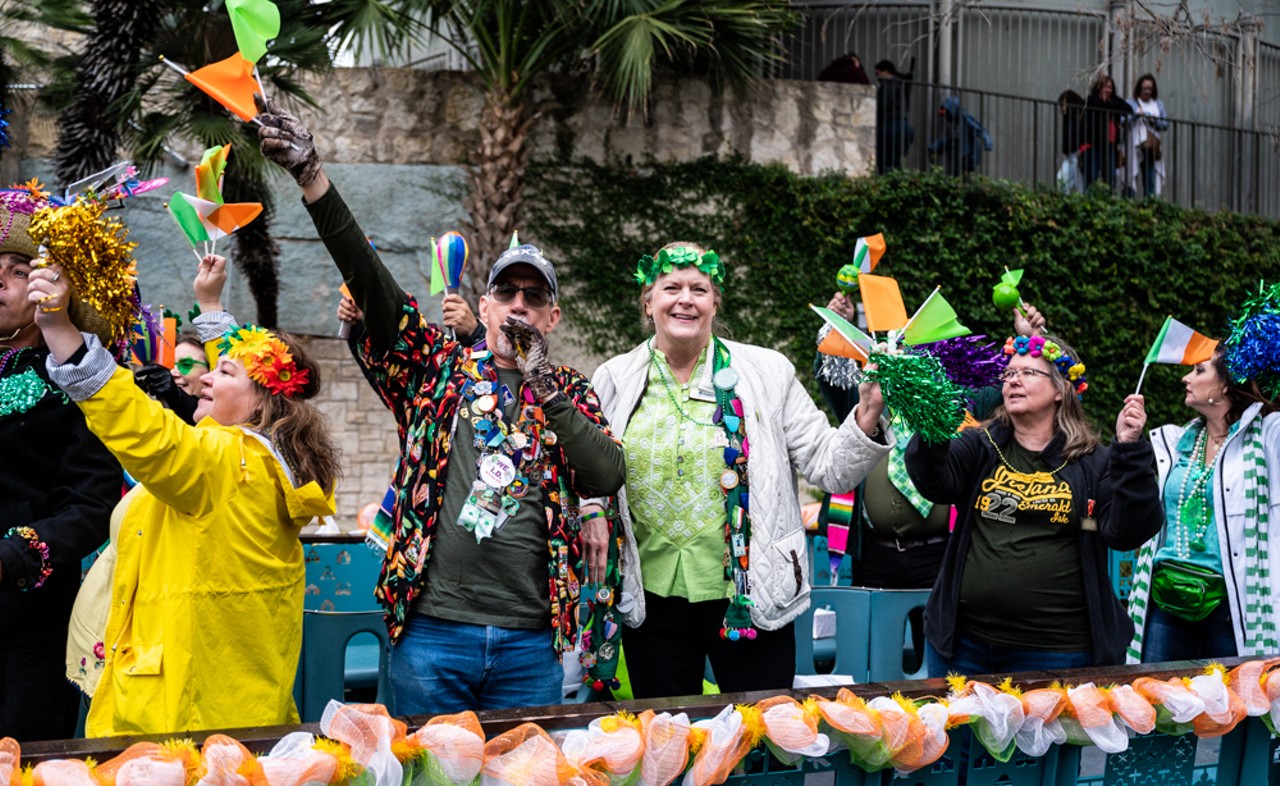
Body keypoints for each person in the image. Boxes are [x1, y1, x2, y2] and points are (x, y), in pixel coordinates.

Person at [257, 97, 627, 716]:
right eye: (505, 291)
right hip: (433, 632)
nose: (518, 305)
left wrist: (544, 387)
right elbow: (372, 281)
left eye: (533, 297)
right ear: (483, 308)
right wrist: (313, 177)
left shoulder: (572, 388)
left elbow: (607, 473)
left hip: (531, 639)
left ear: (552, 316)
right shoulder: (437, 366)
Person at [29, 253, 340, 737]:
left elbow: (147, 434)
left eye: (225, 372)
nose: (206, 377)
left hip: (175, 717)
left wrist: (60, 331)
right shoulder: (262, 458)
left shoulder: (224, 460)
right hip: (229, 700)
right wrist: (211, 306)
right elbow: (243, 378)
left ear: (262, 401)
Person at [583, 243, 890, 699]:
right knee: (669, 741)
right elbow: (591, 468)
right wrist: (590, 508)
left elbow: (828, 466)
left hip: (750, 594)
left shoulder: (768, 371)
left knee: (757, 739)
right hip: (651, 598)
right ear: (649, 303)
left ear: (714, 302)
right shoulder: (614, 377)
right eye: (671, 288)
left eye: (698, 289)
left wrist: (866, 413)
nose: (685, 299)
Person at [905, 335, 1162, 676]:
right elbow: (933, 481)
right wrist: (932, 424)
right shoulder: (981, 445)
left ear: (1060, 390)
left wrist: (1129, 451)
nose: (1012, 380)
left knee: (1052, 734)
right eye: (1009, 374)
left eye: (1027, 373)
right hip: (965, 647)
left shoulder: (1093, 462)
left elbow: (1127, 532)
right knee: (955, 732)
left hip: (1060, 652)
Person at [814, 293, 1043, 665]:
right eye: (897, 352)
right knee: (873, 659)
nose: (905, 359)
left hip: (939, 553)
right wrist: (836, 325)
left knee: (934, 656)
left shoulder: (957, 400)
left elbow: (1009, 381)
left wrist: (1029, 341)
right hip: (873, 553)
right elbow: (832, 372)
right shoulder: (867, 401)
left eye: (914, 352)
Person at [0, 189, 120, 741]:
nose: (1, 281)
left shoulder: (75, 380)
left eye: (18, 269)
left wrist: (13, 555)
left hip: (27, 618)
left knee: (16, 782)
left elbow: (91, 504)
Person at [1128, 347, 1280, 662]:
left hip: (1233, 604)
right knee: (1161, 703)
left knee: (1238, 706)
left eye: (1198, 370)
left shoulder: (1267, 436)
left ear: (1225, 385)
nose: (1185, 378)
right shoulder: (1176, 442)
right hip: (1166, 599)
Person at [1083, 75, 1132, 189]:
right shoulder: (1092, 99)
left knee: (1110, 177)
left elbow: (1128, 109)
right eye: (1105, 87)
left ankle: (1108, 201)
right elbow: (1098, 104)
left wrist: (1110, 104)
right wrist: (1111, 106)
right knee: (1092, 175)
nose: (1108, 90)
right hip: (1094, 143)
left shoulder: (1113, 99)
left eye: (1110, 87)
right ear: (1099, 88)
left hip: (1110, 145)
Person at [1125, 74, 1169, 199]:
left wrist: (1153, 121)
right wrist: (1136, 115)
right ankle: (1129, 205)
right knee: (1131, 176)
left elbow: (1165, 124)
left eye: (1149, 89)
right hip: (1133, 144)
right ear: (1139, 88)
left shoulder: (1159, 104)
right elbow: (1123, 121)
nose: (1147, 91)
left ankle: (1148, 208)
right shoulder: (1130, 103)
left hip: (1150, 146)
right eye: (1144, 88)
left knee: (1150, 179)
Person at [928, 96, 992, 176]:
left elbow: (979, 129)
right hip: (963, 155)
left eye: (948, 113)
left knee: (958, 171)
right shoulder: (958, 122)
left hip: (969, 155)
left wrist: (987, 142)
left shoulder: (964, 118)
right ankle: (935, 148)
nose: (946, 116)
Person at [874, 60, 914, 174]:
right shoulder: (902, 83)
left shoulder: (889, 85)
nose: (878, 78)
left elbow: (883, 105)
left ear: (886, 71)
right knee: (897, 163)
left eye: (878, 74)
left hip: (890, 127)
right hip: (904, 127)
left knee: (886, 163)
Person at [1057, 89, 1087, 194]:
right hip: (1070, 154)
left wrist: (1081, 150)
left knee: (1077, 182)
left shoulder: (1079, 117)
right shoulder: (1069, 118)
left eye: (1064, 104)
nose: (1063, 108)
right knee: (1062, 179)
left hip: (1076, 153)